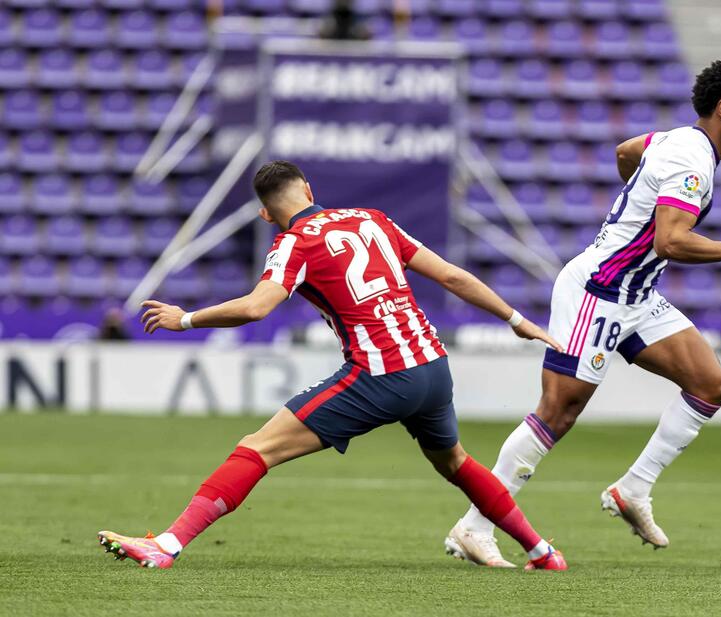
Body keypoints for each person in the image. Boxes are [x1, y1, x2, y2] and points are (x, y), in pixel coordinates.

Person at [98, 161, 568, 571]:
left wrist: (186, 319)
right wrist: (516, 319)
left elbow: (257, 308)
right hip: (432, 365)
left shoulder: (293, 242)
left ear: (265, 213)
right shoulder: (373, 220)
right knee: (455, 462)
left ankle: (167, 544)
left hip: (382, 373)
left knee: (257, 448)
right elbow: (452, 275)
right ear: (309, 191)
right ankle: (543, 550)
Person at [445, 59, 721, 566]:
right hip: (599, 289)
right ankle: (474, 525)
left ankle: (633, 490)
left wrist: (633, 195)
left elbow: (626, 152)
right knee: (558, 411)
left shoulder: (673, 141)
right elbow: (670, 240)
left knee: (711, 385)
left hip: (637, 294)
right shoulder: (692, 161)